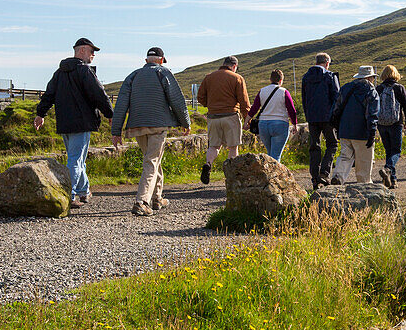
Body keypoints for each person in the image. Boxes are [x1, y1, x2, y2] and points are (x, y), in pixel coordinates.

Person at [111, 46, 191, 216]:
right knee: (152, 162)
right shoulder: (163, 72)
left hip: (137, 126)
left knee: (153, 159)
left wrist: (116, 131)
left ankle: (157, 197)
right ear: (162, 60)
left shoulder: (133, 76)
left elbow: (120, 105)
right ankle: (142, 201)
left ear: (146, 61)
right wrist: (186, 122)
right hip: (158, 124)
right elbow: (177, 100)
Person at [34, 37, 113, 208]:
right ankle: (69, 195)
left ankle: (84, 191)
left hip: (64, 122)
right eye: (92, 52)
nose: (93, 55)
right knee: (75, 161)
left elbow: (49, 94)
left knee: (78, 159)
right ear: (82, 50)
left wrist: (41, 114)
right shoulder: (84, 71)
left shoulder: (60, 72)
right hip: (82, 122)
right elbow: (98, 94)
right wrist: (110, 114)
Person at [196, 55, 250, 185]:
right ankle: (232, 176)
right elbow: (244, 101)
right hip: (231, 116)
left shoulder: (209, 77)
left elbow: (200, 97)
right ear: (234, 66)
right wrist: (247, 118)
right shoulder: (237, 78)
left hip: (213, 117)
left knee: (214, 145)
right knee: (233, 146)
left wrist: (210, 105)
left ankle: (208, 164)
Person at [331, 65, 379, 184]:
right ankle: (363, 186)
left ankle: (338, 177)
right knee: (363, 160)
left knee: (345, 156)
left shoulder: (346, 88)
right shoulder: (371, 91)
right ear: (370, 78)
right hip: (362, 131)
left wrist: (337, 127)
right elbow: (372, 114)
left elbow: (336, 109)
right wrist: (372, 132)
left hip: (345, 129)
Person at [301, 52, 340, 189]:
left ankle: (315, 179)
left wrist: (308, 115)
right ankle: (324, 173)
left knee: (314, 147)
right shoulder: (329, 76)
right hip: (327, 117)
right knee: (332, 144)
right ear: (327, 63)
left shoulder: (306, 77)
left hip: (312, 118)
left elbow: (304, 99)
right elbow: (336, 97)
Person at [247, 69, 299, 162]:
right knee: (275, 155)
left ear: (270, 79)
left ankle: (267, 173)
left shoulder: (262, 91)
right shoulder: (284, 92)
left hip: (263, 125)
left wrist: (246, 121)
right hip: (280, 124)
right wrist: (294, 124)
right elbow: (291, 109)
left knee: (270, 153)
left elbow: (254, 108)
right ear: (281, 80)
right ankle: (273, 175)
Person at [375, 64, 406, 189]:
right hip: (396, 123)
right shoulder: (399, 88)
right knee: (396, 151)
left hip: (381, 123)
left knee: (388, 150)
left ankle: (393, 179)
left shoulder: (378, 88)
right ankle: (389, 169)